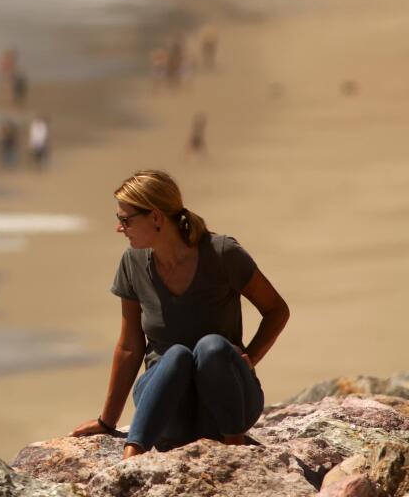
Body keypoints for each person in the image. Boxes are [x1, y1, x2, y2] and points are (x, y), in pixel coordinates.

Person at [71, 170, 289, 458]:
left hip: (228, 407)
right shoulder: (132, 263)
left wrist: (249, 359)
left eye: (125, 220)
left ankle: (235, 453)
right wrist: (106, 422)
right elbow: (129, 346)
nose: (119, 228)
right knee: (176, 356)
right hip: (167, 412)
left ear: (156, 217)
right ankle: (131, 456)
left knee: (211, 347)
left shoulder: (222, 253)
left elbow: (276, 310)